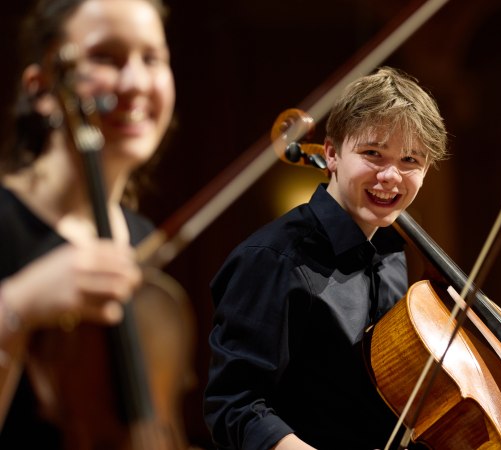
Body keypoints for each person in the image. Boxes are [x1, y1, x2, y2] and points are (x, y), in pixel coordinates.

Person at [204, 67, 449, 450]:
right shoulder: (273, 259)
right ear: (333, 154)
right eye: (372, 153)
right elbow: (235, 406)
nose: (391, 176)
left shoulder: (392, 256)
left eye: (410, 160)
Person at [0, 0, 175, 446]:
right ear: (41, 90)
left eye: (152, 58)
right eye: (105, 58)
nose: (136, 83)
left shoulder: (142, 239)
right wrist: (18, 305)